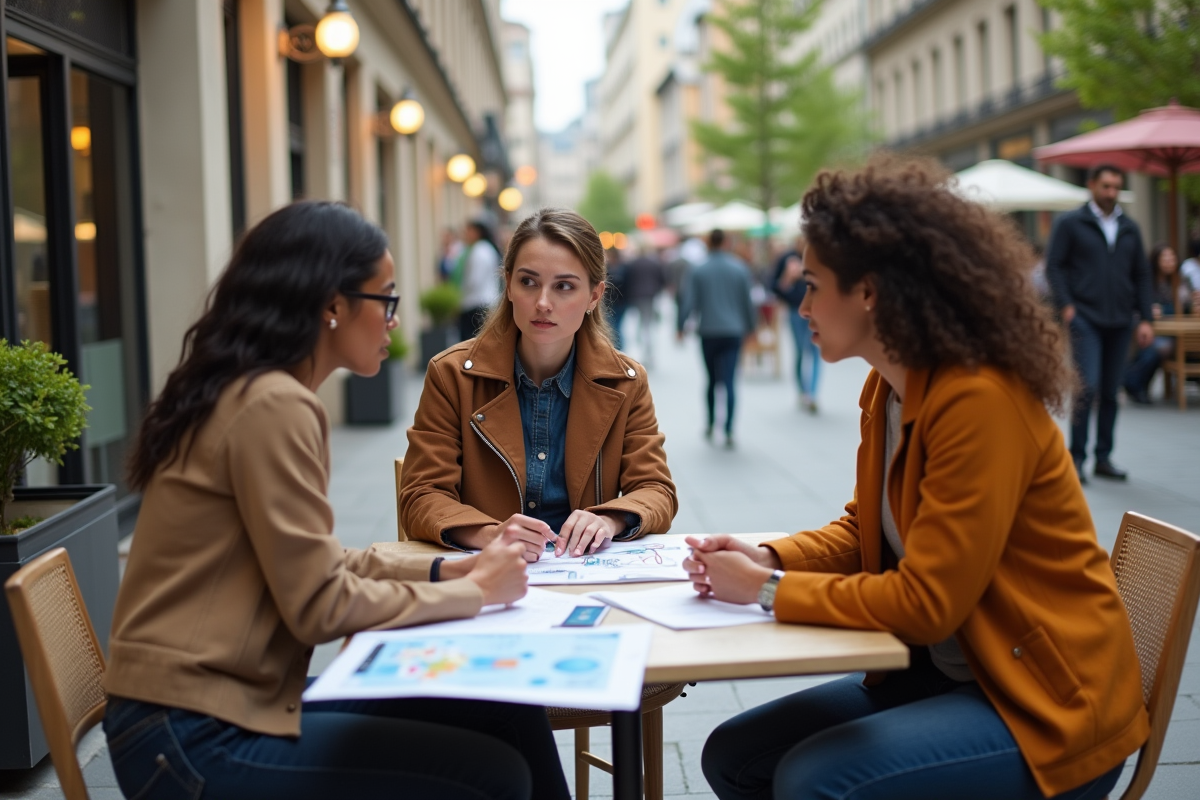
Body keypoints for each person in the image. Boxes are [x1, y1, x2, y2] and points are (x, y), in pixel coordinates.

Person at [685, 156, 1147, 800]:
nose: (802, 301)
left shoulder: (977, 398)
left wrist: (767, 590)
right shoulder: (891, 385)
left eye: (814, 284)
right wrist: (768, 556)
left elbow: (928, 604)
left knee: (814, 781)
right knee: (734, 756)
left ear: (869, 291)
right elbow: (862, 528)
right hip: (952, 675)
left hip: (1043, 704)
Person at [103, 202, 569, 800]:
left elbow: (323, 565)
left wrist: (449, 569)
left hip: (221, 711)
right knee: (491, 773)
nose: (395, 321)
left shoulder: (252, 391)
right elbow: (318, 605)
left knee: (505, 711)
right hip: (192, 737)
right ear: (332, 305)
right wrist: (474, 593)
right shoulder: (275, 405)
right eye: (387, 299)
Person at [399, 207, 678, 562]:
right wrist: (491, 534)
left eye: (564, 286)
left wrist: (608, 520)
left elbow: (655, 490)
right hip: (487, 575)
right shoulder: (452, 375)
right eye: (528, 282)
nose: (543, 303)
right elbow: (421, 495)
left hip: (585, 576)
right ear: (509, 285)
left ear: (594, 295)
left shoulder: (626, 383)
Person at [1045, 164, 1154, 483]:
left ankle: (1103, 457)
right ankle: (1076, 457)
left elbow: (1142, 274)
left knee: (1110, 390)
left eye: (1115, 187)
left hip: (1121, 319)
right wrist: (1066, 306)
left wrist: (1145, 317)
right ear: (1091, 185)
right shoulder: (1070, 223)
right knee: (1086, 386)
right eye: (1105, 186)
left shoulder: (1129, 227)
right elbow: (1054, 266)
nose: (1110, 193)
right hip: (1085, 318)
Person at [677, 228, 756, 447]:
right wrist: (752, 328)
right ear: (726, 243)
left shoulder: (699, 269)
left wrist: (680, 325)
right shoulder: (739, 268)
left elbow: (689, 301)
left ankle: (711, 423)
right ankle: (729, 428)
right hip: (733, 331)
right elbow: (747, 302)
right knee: (730, 380)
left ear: (708, 243)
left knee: (711, 380)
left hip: (709, 331)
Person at [1123, 243, 1193, 403]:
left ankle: (1131, 381)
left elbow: (1188, 306)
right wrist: (1148, 311)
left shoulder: (1182, 281)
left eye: (1172, 258)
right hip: (1154, 331)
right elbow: (1135, 307)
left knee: (1160, 348)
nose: (1169, 261)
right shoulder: (1147, 283)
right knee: (1152, 349)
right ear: (1156, 260)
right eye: (1165, 258)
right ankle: (1134, 384)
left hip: (1179, 333)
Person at [773, 235, 820, 413]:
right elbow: (775, 287)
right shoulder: (787, 258)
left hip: (816, 312)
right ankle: (803, 391)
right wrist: (788, 277)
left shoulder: (817, 258)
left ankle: (812, 393)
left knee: (814, 351)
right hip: (794, 311)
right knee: (800, 351)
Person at [455, 219, 503, 342]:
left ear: (476, 232)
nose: (465, 234)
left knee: (471, 342)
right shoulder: (486, 249)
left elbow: (474, 280)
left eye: (467, 230)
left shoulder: (479, 250)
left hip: (475, 304)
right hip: (483, 301)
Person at [623, 246, 668, 366]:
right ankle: (648, 353)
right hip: (650, 296)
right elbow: (662, 280)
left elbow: (627, 280)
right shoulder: (654, 263)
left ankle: (642, 350)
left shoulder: (633, 264)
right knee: (647, 325)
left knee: (639, 324)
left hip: (636, 297)